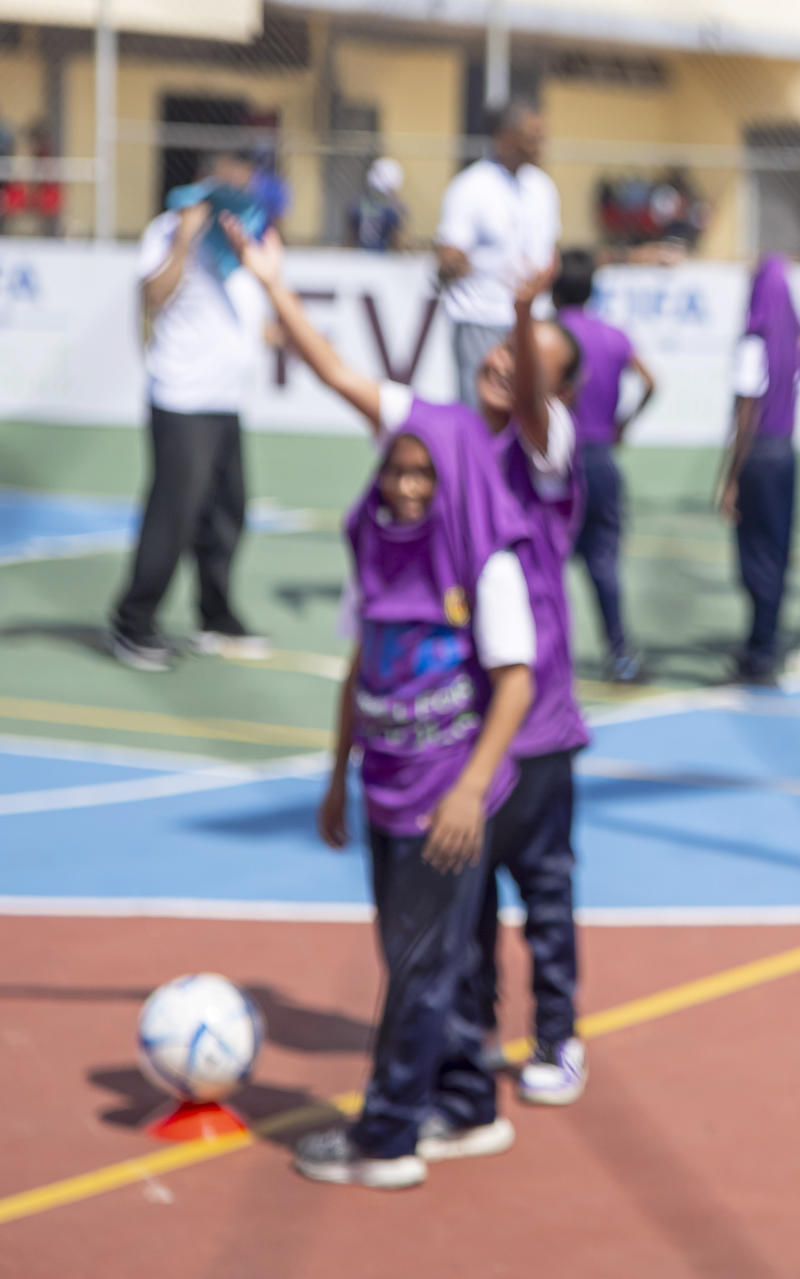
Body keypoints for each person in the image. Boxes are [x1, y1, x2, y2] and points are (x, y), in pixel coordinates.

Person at [221, 211, 536, 1186]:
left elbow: (516, 680)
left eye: (417, 472)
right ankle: (466, 1099)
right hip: (390, 784)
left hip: (451, 788)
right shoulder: (378, 542)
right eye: (392, 465)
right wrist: (334, 779)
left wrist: (469, 788)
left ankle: (388, 1135)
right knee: (419, 960)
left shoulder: (489, 528)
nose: (403, 482)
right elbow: (335, 371)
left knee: (419, 967)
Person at [108, 149, 269, 672]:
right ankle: (132, 620)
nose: (240, 190)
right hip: (182, 398)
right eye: (229, 180)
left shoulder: (243, 236)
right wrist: (184, 237)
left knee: (227, 512)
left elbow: (251, 316)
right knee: (173, 515)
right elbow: (154, 294)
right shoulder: (167, 230)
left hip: (225, 399)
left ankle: (215, 615)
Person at [553, 248, 658, 682]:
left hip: (556, 463)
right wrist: (623, 423)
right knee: (603, 561)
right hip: (601, 460)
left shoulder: (548, 335)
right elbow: (651, 381)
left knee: (546, 560)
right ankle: (619, 652)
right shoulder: (614, 336)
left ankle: (549, 651)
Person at [435, 100, 559, 411]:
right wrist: (457, 262)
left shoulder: (543, 188)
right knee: (481, 415)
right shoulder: (471, 186)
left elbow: (550, 250)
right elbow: (449, 255)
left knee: (531, 415)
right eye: (532, 136)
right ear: (505, 138)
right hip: (482, 318)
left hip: (532, 320)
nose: (539, 145)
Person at [717, 255, 800, 685]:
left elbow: (746, 410)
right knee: (777, 551)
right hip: (786, 453)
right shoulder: (791, 339)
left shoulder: (755, 341)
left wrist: (730, 476)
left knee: (753, 555)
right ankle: (765, 643)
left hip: (759, 456)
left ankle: (760, 649)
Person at [348, 157, 407, 252]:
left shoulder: (357, 204)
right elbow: (396, 239)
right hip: (381, 258)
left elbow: (350, 237)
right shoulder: (391, 209)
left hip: (358, 257)